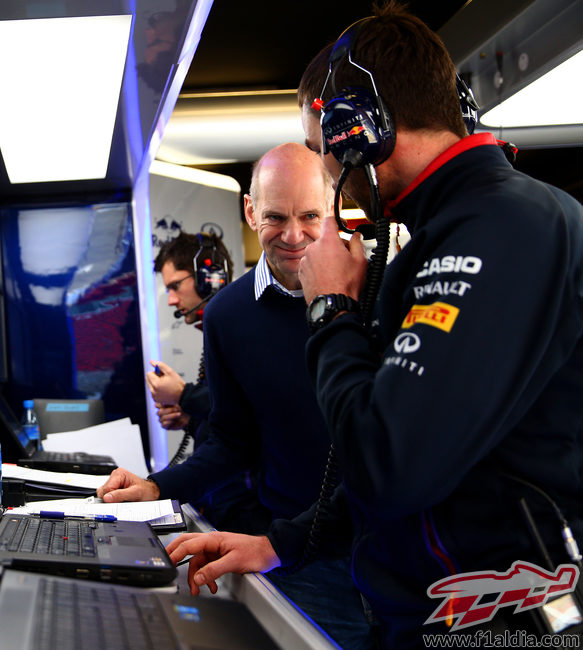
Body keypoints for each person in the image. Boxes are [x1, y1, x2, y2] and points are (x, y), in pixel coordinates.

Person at [166, 3, 583, 647]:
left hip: (495, 621)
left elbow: (386, 468)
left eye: (320, 149)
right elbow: (418, 457)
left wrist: (330, 309)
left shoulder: (502, 226)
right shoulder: (451, 233)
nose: (328, 170)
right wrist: (279, 543)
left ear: (358, 132)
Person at [100, 143, 375, 648]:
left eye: (311, 215)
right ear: (250, 212)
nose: (294, 236)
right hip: (299, 557)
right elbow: (231, 440)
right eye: (275, 216)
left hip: (393, 553)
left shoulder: (375, 288)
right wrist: (159, 487)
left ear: (333, 205)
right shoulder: (227, 315)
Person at [144, 231, 255, 530]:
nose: (171, 300)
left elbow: (250, 406)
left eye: (175, 286)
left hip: (252, 520)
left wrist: (184, 395)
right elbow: (227, 423)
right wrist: (189, 418)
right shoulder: (222, 328)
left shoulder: (246, 324)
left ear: (210, 276)